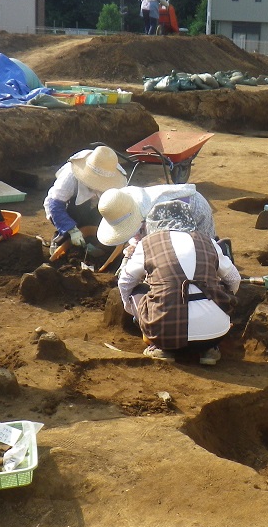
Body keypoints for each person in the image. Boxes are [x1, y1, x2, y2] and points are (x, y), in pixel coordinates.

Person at [117, 200, 240, 364]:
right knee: (221, 285)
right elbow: (234, 279)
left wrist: (134, 312)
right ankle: (209, 350)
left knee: (136, 289)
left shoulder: (148, 244)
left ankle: (160, 348)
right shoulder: (208, 241)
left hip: (165, 335)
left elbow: (125, 282)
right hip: (215, 334)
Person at [44, 145, 127, 256]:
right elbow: (55, 205)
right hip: (67, 208)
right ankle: (61, 237)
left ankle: (90, 241)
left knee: (105, 212)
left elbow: (120, 208)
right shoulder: (70, 176)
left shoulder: (111, 173)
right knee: (76, 215)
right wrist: (71, 229)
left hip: (94, 206)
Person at [96, 184, 217, 251]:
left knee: (202, 251)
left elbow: (162, 248)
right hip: (180, 208)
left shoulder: (159, 214)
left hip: (195, 209)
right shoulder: (128, 205)